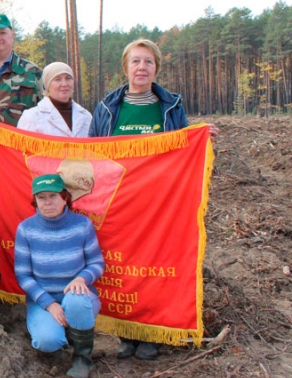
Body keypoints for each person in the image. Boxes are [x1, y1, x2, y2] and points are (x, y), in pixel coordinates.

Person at [88, 38, 218, 360]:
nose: (141, 67)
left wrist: (202, 138)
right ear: (126, 67)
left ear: (156, 68)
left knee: (154, 263)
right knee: (121, 264)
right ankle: (125, 331)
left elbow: (183, 147)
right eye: (136, 61)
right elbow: (91, 150)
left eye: (148, 61)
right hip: (117, 202)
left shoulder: (170, 106)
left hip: (158, 202)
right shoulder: (107, 107)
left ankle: (152, 333)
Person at [14, 174, 104, 378]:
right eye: (42, 197)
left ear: (64, 198)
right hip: (43, 301)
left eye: (53, 196)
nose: (48, 202)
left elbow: (97, 263)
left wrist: (82, 279)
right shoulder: (26, 229)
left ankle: (82, 359)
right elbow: (23, 275)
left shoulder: (82, 225)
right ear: (35, 200)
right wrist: (48, 304)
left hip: (79, 297)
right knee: (47, 340)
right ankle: (61, 343)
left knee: (76, 299)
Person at [17, 62, 91, 137]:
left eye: (68, 78)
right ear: (48, 85)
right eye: (57, 79)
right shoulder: (31, 117)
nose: (64, 84)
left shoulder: (86, 116)